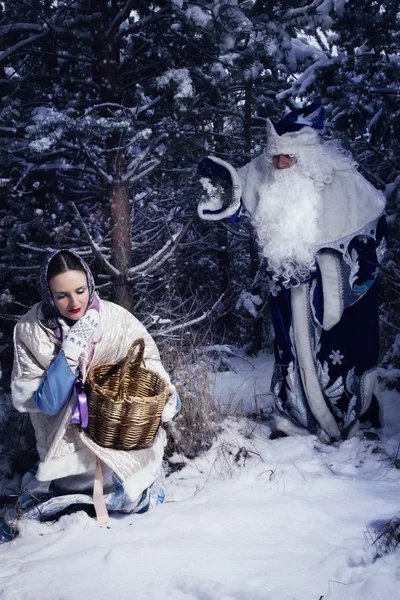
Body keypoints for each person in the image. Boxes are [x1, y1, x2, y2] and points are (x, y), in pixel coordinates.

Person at [197, 101, 388, 443]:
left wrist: (333, 274)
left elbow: (373, 240)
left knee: (342, 355)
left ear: (309, 160)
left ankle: (354, 420)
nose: (280, 165)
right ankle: (294, 420)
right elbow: (236, 193)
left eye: (289, 159)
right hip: (285, 285)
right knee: (289, 353)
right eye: (275, 158)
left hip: (335, 295)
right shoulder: (265, 170)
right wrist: (220, 194)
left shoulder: (346, 181)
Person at [1, 249, 180, 543]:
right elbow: (45, 403)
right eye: (61, 296)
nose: (74, 303)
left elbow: (148, 362)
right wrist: (71, 349)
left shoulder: (114, 317)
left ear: (91, 284)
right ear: (47, 294)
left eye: (80, 290)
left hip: (115, 438)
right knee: (63, 497)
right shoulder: (30, 330)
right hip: (65, 447)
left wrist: (166, 398)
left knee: (128, 487)